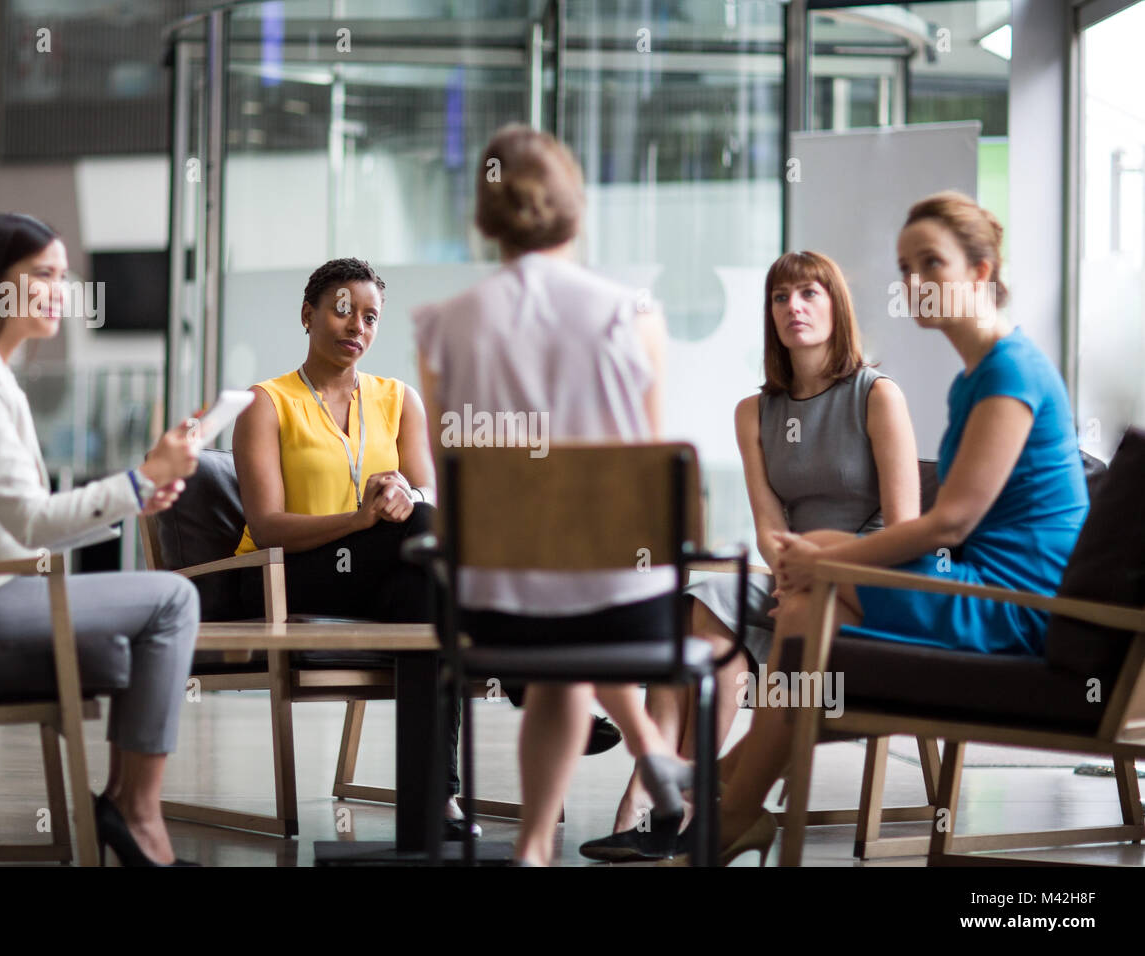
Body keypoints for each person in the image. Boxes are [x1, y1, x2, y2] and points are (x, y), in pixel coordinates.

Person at [716, 191, 1090, 864]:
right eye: (904, 267)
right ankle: (739, 793)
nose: (913, 284)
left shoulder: (1009, 370)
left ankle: (736, 794)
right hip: (981, 583)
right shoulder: (974, 374)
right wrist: (825, 562)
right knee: (806, 593)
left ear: (980, 272)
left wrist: (828, 560)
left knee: (815, 576)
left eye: (931, 265)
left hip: (1017, 604)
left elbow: (950, 524)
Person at [0, 213, 202, 867]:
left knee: (166, 601)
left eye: (64, 276)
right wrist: (139, 480)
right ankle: (134, 814)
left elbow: (32, 519)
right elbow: (29, 520)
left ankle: (130, 809)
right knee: (173, 601)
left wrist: (140, 496)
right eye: (43, 274)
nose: (61, 289)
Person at [413, 124, 693, 866]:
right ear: (576, 209)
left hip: (495, 607)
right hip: (626, 605)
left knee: (556, 645)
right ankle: (649, 749)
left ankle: (534, 848)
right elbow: (649, 470)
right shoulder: (631, 314)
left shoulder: (444, 326)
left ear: (483, 217)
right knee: (582, 600)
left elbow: (453, 469)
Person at [583, 251, 920, 861]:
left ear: (835, 306)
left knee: (712, 632)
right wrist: (791, 567)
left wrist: (821, 567)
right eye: (780, 297)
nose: (794, 307)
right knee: (704, 610)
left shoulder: (878, 396)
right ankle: (672, 794)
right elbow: (768, 525)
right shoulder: (754, 412)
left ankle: (663, 803)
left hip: (864, 580)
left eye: (809, 294)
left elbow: (902, 523)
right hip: (788, 574)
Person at [229, 257, 479, 835]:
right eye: (343, 310)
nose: (356, 327)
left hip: (372, 575)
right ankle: (523, 676)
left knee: (426, 588)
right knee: (424, 540)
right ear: (307, 315)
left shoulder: (398, 399)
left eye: (370, 317)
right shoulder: (265, 403)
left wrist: (400, 493)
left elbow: (426, 491)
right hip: (277, 575)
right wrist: (360, 520)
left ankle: (432, 802)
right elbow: (266, 526)